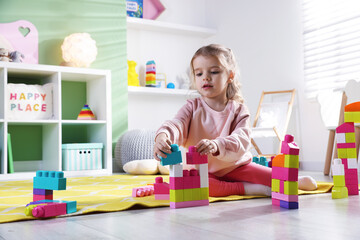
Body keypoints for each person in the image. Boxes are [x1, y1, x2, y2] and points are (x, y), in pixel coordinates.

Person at [154, 44, 317, 197]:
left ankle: (293, 182)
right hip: (204, 171)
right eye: (199, 73)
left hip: (237, 166)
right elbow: (176, 124)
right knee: (197, 186)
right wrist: (163, 136)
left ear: (230, 76)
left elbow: (242, 138)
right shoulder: (191, 107)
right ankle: (254, 189)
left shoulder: (239, 109)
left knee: (277, 178)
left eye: (214, 72)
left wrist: (217, 145)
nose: (206, 78)